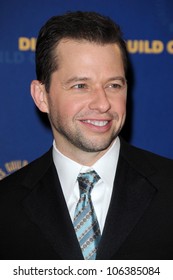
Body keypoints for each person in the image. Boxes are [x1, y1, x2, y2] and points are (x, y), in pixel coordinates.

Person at [0, 11, 173, 260]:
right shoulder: (5, 206)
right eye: (80, 86)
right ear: (41, 96)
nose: (103, 104)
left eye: (114, 85)